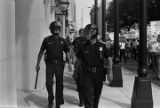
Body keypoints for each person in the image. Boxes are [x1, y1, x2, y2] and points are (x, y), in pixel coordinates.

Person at [35, 21, 70, 108]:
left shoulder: (63, 40)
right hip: (49, 64)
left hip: (59, 65)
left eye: (58, 28)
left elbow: (67, 51)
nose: (56, 29)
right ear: (51, 29)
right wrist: (37, 63)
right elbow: (41, 51)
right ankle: (51, 98)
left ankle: (58, 103)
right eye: (55, 28)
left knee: (59, 84)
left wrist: (69, 62)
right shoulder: (46, 40)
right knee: (49, 83)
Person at [77, 24, 113, 108]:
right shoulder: (83, 46)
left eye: (91, 32)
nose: (88, 34)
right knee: (88, 97)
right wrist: (77, 73)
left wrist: (110, 72)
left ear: (95, 33)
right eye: (87, 32)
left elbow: (109, 58)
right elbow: (79, 61)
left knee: (96, 96)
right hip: (86, 74)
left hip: (99, 74)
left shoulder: (102, 46)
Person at [72, 28, 86, 107]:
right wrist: (72, 59)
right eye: (81, 32)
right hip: (78, 61)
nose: (82, 34)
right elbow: (72, 48)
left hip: (87, 62)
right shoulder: (76, 40)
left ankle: (84, 99)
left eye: (84, 32)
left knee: (86, 82)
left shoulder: (88, 40)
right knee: (77, 78)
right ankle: (81, 100)